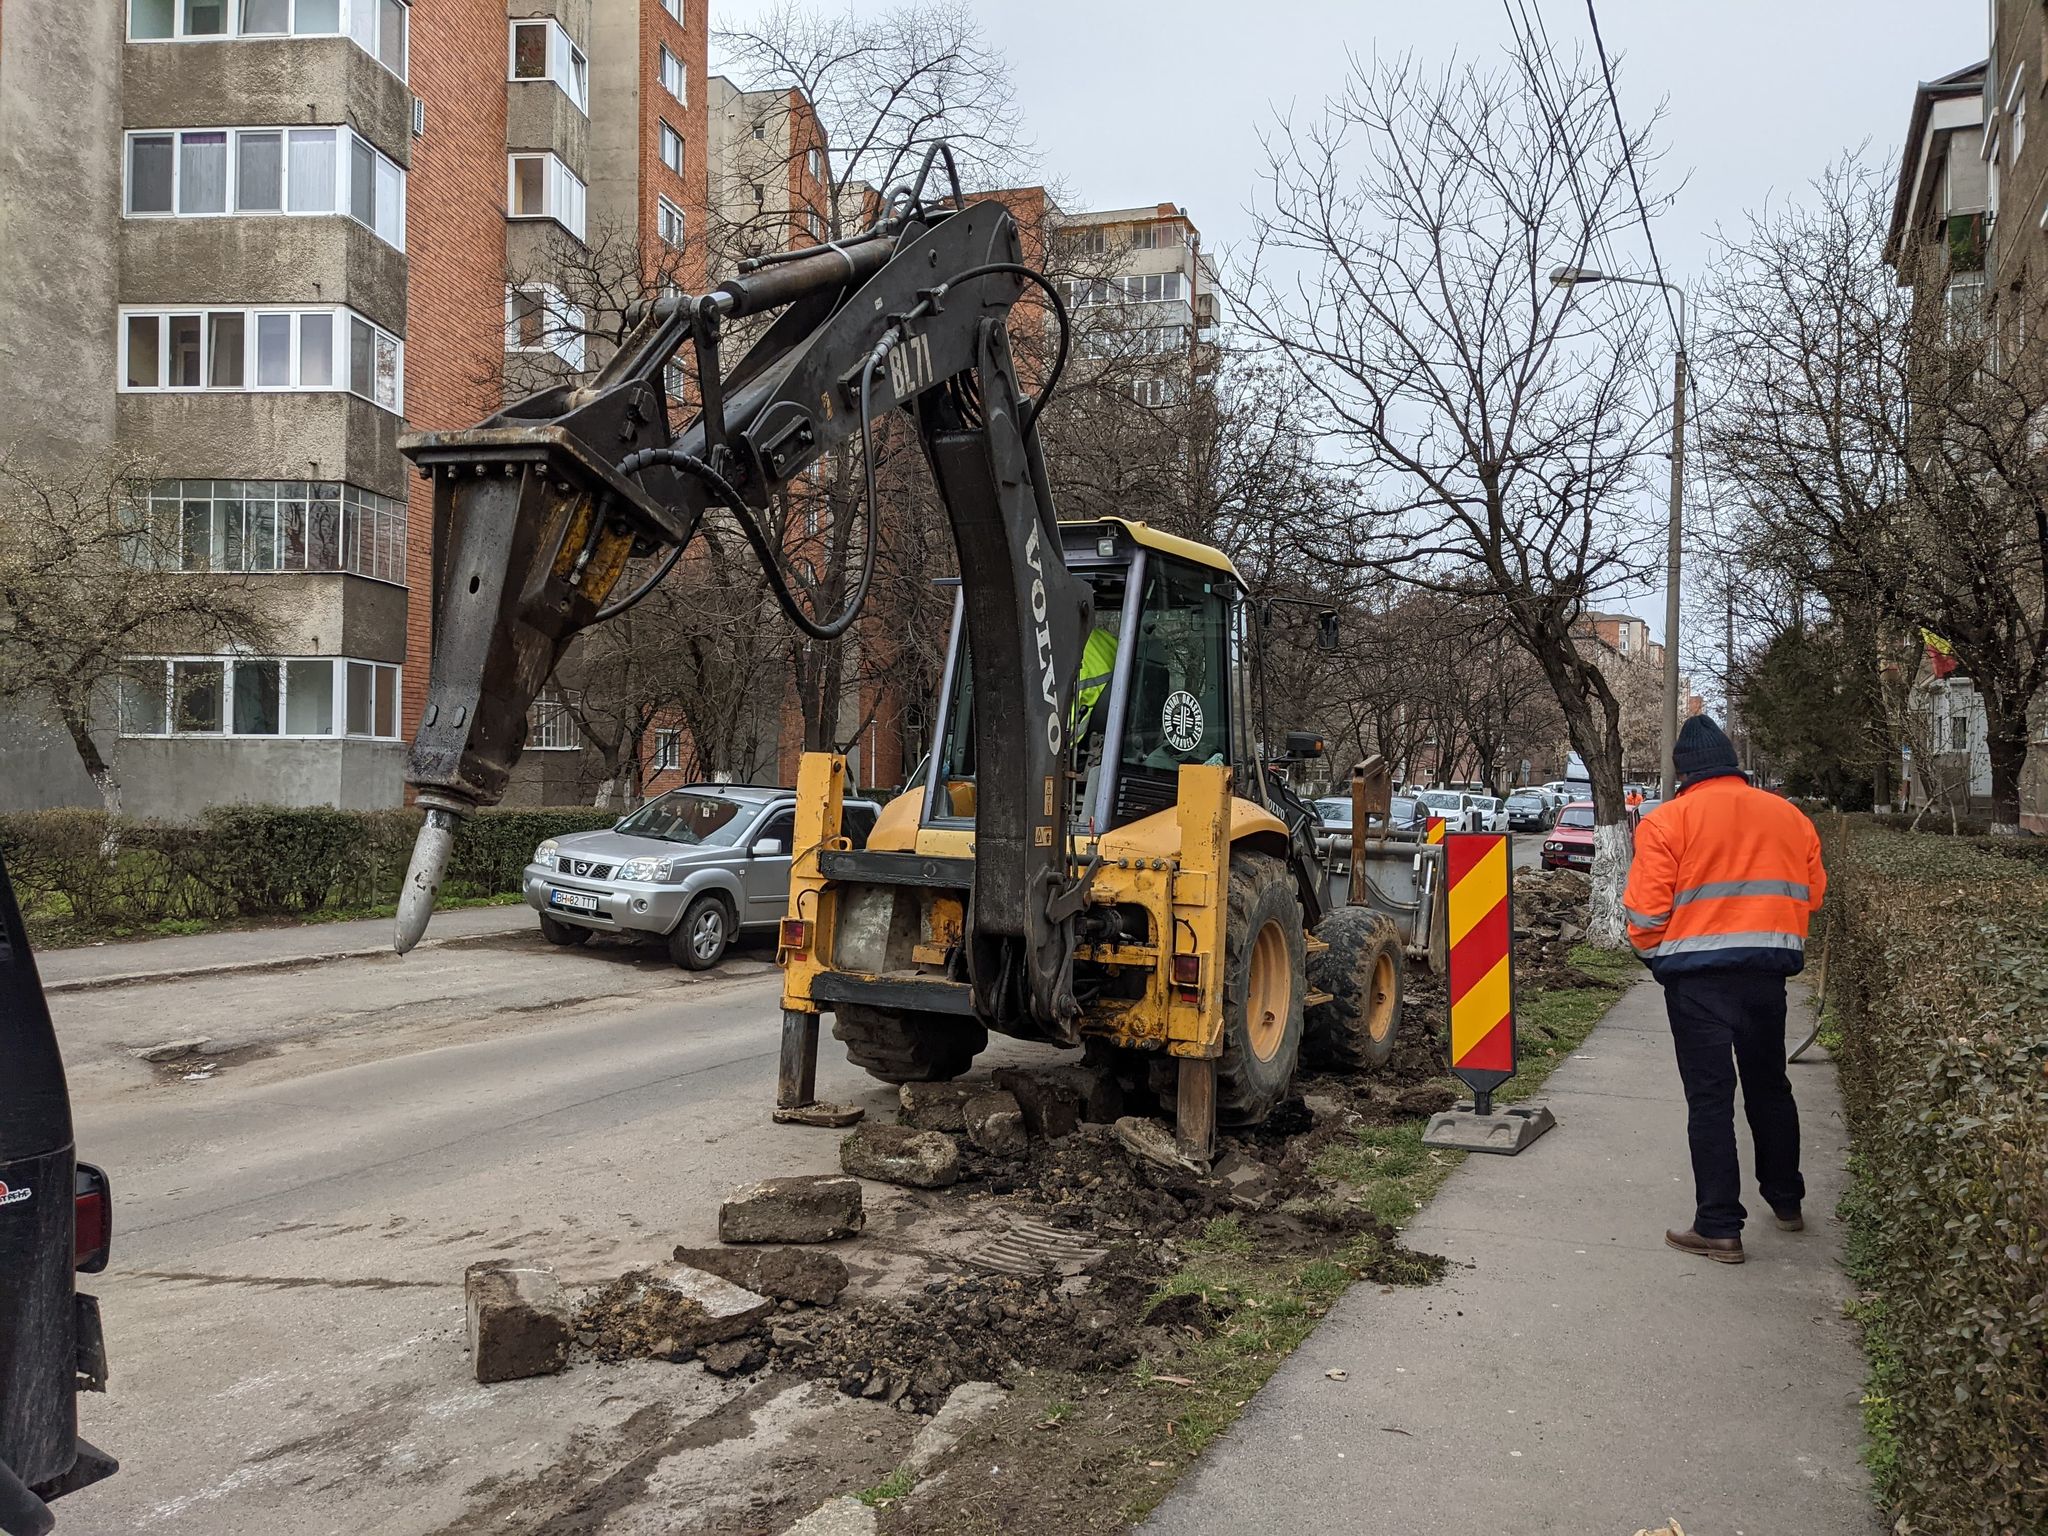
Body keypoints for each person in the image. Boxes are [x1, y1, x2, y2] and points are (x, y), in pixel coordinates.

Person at [1623, 715, 1826, 1265]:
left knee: (1710, 1100)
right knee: (1769, 1087)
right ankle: (1786, 1202)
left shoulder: (1667, 823)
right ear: (1733, 763)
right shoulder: (1790, 816)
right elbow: (1812, 896)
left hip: (1697, 986)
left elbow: (1644, 916)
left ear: (1683, 771)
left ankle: (1719, 1227)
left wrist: (1661, 961)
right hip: (1766, 978)